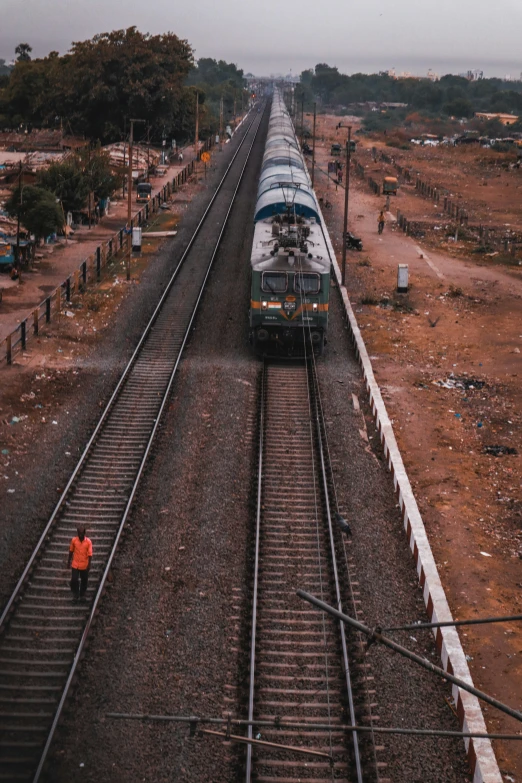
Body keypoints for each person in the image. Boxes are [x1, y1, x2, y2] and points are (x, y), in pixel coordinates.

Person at [68, 525, 92, 602]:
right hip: (75, 564)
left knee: (84, 580)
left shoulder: (88, 542)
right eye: (79, 533)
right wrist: (68, 561)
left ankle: (82, 595)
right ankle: (75, 594)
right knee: (74, 580)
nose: (80, 535)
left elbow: (90, 554)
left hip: (84, 565)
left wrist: (89, 565)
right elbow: (71, 551)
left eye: (81, 533)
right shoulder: (74, 540)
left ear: (84, 533)